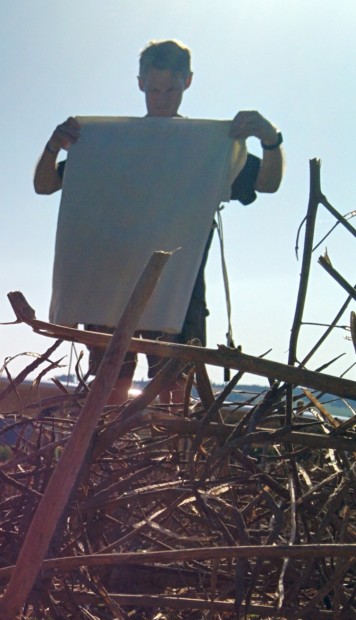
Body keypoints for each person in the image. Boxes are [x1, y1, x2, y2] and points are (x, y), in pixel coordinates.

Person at [33, 39, 284, 404]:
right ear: (140, 84)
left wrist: (271, 139)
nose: (162, 99)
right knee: (109, 394)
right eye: (154, 89)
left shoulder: (205, 147)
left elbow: (267, 183)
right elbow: (45, 185)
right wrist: (53, 145)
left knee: (175, 398)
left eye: (170, 90)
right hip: (111, 290)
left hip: (179, 293)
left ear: (188, 82)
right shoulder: (114, 144)